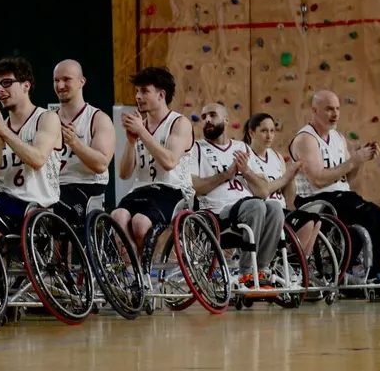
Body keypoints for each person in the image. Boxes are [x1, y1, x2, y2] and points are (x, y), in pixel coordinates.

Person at [288, 90, 380, 281]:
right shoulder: (306, 139)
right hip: (316, 199)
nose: (335, 114)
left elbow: (347, 177)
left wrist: (360, 160)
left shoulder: (338, 138)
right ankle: (344, 267)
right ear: (315, 111)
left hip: (341, 196)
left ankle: (373, 271)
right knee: (366, 214)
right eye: (328, 109)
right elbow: (318, 179)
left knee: (379, 216)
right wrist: (353, 160)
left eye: (337, 109)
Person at [0, 56, 62, 243]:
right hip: (3, 200)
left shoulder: (47, 118)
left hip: (36, 204)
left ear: (26, 86)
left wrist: (6, 134)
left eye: (7, 83)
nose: (0, 90)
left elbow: (38, 159)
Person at [191, 102, 284, 283]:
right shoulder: (196, 148)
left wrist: (246, 171)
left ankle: (262, 268)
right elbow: (196, 187)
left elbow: (263, 190)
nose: (207, 120)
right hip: (217, 213)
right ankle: (246, 271)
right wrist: (227, 174)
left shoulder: (242, 148)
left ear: (226, 120)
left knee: (274, 207)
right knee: (256, 205)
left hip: (247, 207)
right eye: (203, 117)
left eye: (212, 115)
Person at [112, 66, 194, 252]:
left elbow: (170, 162)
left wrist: (141, 132)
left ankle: (142, 270)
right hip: (142, 188)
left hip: (172, 189)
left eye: (144, 91)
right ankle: (134, 272)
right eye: (137, 91)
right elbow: (124, 174)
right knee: (118, 216)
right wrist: (131, 142)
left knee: (140, 223)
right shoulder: (141, 126)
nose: (138, 97)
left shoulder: (179, 123)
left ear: (161, 95)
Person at [243, 112, 322, 258]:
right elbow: (262, 191)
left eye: (272, 131)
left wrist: (292, 176)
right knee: (307, 221)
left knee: (316, 220)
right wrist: (285, 177)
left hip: (282, 208)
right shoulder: (247, 157)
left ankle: (298, 265)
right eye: (264, 131)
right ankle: (287, 261)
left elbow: (289, 197)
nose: (269, 136)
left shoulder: (277, 156)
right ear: (252, 132)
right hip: (264, 211)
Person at [52, 59, 115, 226]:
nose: (60, 85)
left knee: (59, 211)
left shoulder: (98, 119)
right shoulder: (48, 120)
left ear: (82, 82)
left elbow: (101, 164)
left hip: (86, 186)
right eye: (56, 80)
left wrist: (75, 143)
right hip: (54, 186)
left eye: (66, 79)